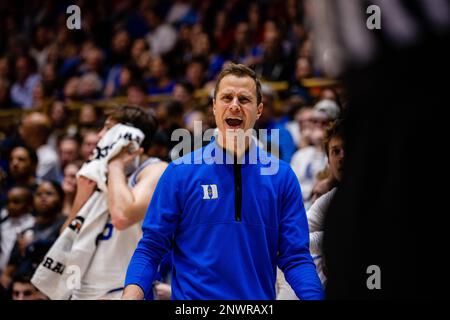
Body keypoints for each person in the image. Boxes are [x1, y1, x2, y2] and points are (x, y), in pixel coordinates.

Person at [123, 63, 324, 300]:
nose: (235, 105)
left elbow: (296, 257)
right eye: (227, 97)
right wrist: (131, 295)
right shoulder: (180, 172)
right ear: (214, 107)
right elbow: (150, 249)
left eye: (244, 99)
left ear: (259, 110)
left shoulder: (282, 176)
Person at [61, 105, 169, 299]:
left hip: (123, 290)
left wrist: (115, 163)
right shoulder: (97, 172)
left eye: (108, 128)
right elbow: (65, 242)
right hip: (81, 291)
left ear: (129, 136)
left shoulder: (155, 170)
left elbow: (122, 216)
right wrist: (81, 197)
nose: (99, 135)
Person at [277, 120, 345, 299]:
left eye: (349, 149)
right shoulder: (331, 197)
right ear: (328, 160)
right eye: (335, 151)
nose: (342, 157)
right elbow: (297, 236)